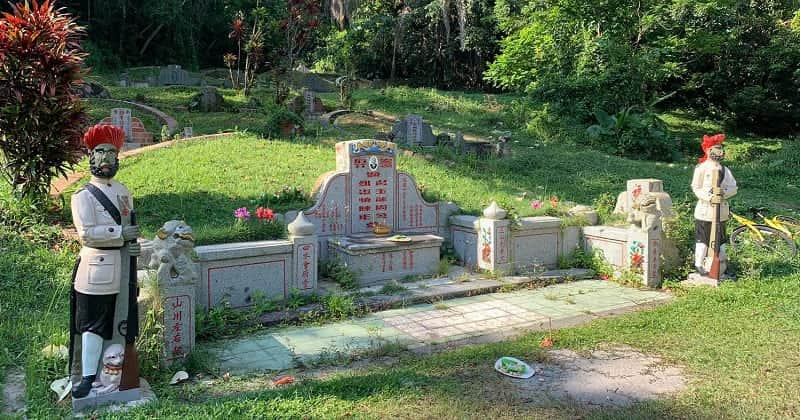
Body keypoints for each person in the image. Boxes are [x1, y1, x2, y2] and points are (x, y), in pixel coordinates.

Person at [70, 125, 140, 398]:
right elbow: (87, 234)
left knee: (120, 323)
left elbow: (129, 223)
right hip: (96, 271)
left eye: (111, 152)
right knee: (93, 326)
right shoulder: (83, 196)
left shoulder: (124, 191)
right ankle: (87, 377)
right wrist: (121, 234)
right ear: (91, 156)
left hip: (123, 270)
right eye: (100, 152)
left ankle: (116, 374)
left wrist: (132, 245)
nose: (106, 158)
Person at [691, 133, 737, 275]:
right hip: (705, 211)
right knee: (703, 239)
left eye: (720, 148)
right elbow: (696, 187)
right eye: (716, 148)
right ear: (708, 150)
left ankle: (721, 266)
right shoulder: (701, 168)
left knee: (721, 239)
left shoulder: (725, 170)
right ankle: (699, 265)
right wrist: (709, 197)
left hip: (721, 212)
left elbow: (733, 187)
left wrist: (723, 194)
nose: (719, 151)